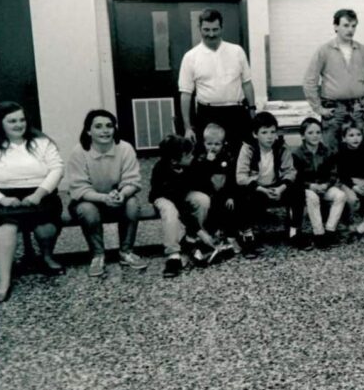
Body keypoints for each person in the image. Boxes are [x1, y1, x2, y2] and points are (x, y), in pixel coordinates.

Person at [0, 102, 65, 302]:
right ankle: (3, 281)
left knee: (45, 228)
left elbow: (57, 169)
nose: (19, 124)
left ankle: (47, 257)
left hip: (40, 195)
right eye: (12, 121)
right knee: (6, 229)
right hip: (0, 199)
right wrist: (2, 199)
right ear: (0, 123)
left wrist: (39, 194)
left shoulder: (42, 142)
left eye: (22, 120)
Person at [65, 109, 148, 277]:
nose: (105, 131)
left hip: (117, 199)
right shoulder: (78, 152)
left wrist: (122, 194)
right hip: (88, 201)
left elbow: (132, 180)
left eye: (109, 126)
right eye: (98, 126)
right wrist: (103, 198)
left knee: (132, 204)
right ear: (88, 131)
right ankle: (98, 256)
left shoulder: (125, 148)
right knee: (88, 210)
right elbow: (79, 188)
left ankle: (126, 252)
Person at [303, 9, 364, 152]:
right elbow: (310, 81)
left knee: (357, 152)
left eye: (353, 26)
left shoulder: (363, 51)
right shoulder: (324, 51)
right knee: (332, 152)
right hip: (333, 110)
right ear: (336, 26)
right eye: (346, 25)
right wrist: (318, 108)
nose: (350, 30)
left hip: (358, 109)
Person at [178, 8, 256, 155]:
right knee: (210, 158)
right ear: (199, 28)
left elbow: (247, 83)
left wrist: (252, 109)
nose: (211, 34)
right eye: (206, 30)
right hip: (208, 114)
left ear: (222, 28)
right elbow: (186, 94)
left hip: (237, 113)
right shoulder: (190, 57)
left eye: (215, 29)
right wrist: (188, 127)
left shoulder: (237, 51)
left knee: (240, 155)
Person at [235, 112, 303, 254]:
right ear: (255, 134)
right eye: (264, 132)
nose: (270, 136)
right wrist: (261, 189)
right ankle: (247, 236)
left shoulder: (281, 147)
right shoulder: (248, 148)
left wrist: (281, 188)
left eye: (272, 132)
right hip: (257, 189)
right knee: (241, 193)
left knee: (297, 189)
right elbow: (241, 177)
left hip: (276, 187)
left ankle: (294, 231)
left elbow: (290, 171)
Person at [149, 135, 213, 278]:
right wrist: (200, 231)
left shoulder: (188, 164)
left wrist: (207, 164)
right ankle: (173, 255)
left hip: (182, 194)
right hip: (163, 196)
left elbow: (204, 184)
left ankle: (190, 240)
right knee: (170, 211)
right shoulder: (161, 170)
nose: (192, 157)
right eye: (188, 155)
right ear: (174, 160)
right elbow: (180, 206)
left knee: (202, 200)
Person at [292, 118, 347, 249]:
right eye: (310, 133)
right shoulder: (297, 154)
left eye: (318, 132)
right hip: (307, 188)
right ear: (303, 135)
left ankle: (330, 230)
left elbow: (334, 173)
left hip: (324, 186)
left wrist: (326, 185)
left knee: (340, 195)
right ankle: (319, 234)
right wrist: (310, 186)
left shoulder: (327, 151)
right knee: (312, 198)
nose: (315, 136)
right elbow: (295, 177)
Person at [189, 123, 238, 265]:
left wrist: (230, 195)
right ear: (204, 143)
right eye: (209, 144)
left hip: (223, 193)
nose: (213, 147)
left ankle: (230, 237)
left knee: (229, 208)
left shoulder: (227, 158)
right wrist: (208, 163)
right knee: (210, 210)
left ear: (223, 144)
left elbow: (231, 178)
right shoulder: (200, 159)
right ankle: (209, 238)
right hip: (208, 193)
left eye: (217, 144)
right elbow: (200, 179)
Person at [335, 118, 364, 236]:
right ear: (344, 138)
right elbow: (342, 175)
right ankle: (352, 219)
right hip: (347, 182)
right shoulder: (341, 152)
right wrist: (354, 186)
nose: (356, 138)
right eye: (351, 135)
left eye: (358, 134)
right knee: (352, 199)